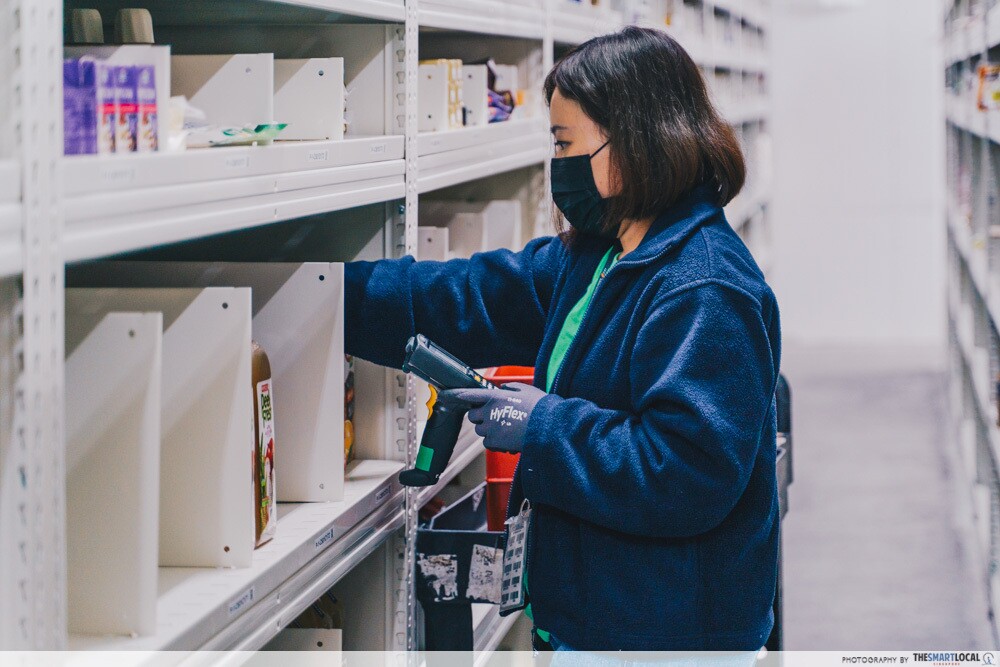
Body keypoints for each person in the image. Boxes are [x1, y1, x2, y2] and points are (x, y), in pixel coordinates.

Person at [345, 26, 781, 653]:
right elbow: (468, 297)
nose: (558, 166)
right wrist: (333, 296)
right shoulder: (604, 253)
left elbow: (688, 474)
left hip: (667, 641)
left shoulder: (704, 286)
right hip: (602, 623)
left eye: (564, 142)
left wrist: (543, 425)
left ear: (632, 145)